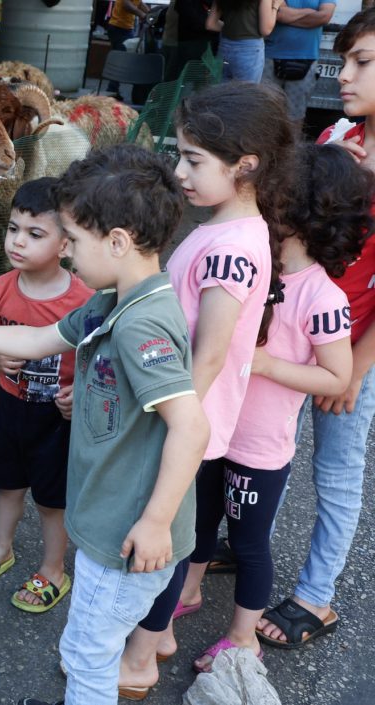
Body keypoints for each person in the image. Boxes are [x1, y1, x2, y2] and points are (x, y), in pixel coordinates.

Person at [0, 144, 210, 705]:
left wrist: (155, 523)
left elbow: (192, 428)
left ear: (117, 242)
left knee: (86, 657)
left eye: (72, 239)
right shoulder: (111, 301)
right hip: (109, 525)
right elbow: (34, 339)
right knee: (89, 648)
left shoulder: (141, 324)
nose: (65, 252)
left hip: (126, 539)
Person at [119, 81, 296, 695]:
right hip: (187, 419)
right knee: (171, 535)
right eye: (180, 155)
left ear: (245, 165)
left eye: (194, 160)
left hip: (186, 422)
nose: (179, 171)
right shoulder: (225, 230)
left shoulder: (231, 250)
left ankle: (141, 657)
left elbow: (212, 350)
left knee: (164, 539)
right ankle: (158, 635)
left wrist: (173, 423)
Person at [183, 142, 370, 672]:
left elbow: (335, 375)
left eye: (276, 199)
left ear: (305, 212)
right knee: (199, 525)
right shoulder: (254, 267)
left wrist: (264, 364)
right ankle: (190, 591)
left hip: (260, 449)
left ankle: (244, 637)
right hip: (215, 428)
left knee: (248, 544)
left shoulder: (324, 297)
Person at [256, 7, 375, 649]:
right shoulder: (338, 137)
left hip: (350, 347)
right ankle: (248, 541)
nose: (344, 73)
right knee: (266, 442)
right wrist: (327, 162)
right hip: (295, 328)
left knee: (336, 467)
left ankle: (317, 595)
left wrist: (354, 368)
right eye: (345, 58)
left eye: (361, 62)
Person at [0, 178, 94, 614]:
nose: (18, 242)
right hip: (11, 407)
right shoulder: (1, 287)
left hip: (59, 418)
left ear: (66, 244)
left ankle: (54, 569)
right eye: (13, 228)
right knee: (8, 483)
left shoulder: (85, 301)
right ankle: (2, 548)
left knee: (52, 500)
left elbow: (100, 362)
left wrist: (82, 394)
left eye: (35, 234)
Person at [262, 0, 336, 123]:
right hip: (270, 57)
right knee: (265, 111)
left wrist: (289, 16)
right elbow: (280, 15)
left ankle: (293, 143)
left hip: (306, 58)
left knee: (295, 116)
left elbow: (324, 17)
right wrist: (309, 13)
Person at [207, 0, 284, 81]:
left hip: (224, 48)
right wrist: (276, 6)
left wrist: (234, 29)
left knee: (222, 92)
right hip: (249, 50)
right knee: (247, 92)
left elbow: (210, 24)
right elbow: (266, 30)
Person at [107, 0, 150, 93]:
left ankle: (113, 89)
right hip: (119, 27)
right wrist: (143, 15)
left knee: (121, 58)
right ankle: (111, 90)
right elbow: (127, 5)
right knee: (121, 59)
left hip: (124, 28)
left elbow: (139, 3)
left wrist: (150, 13)